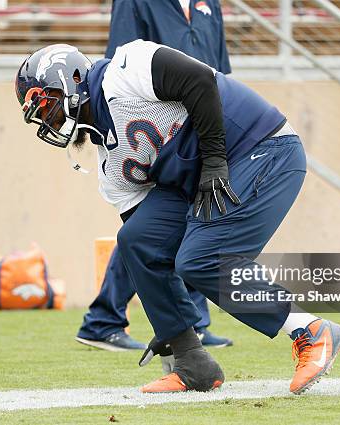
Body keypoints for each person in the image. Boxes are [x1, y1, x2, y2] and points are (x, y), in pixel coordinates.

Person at [14, 40, 340, 395]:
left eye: (47, 104)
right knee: (137, 240)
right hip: (203, 180)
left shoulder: (126, 69)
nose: (48, 119)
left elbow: (199, 80)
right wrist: (171, 322)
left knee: (201, 259)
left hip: (262, 148)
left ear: (72, 78)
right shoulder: (110, 168)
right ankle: (192, 364)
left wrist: (216, 159)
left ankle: (309, 329)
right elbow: (156, 252)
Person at [76, 0, 233, 352]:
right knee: (145, 232)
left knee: (179, 224)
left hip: (199, 126)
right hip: (155, 125)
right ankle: (105, 319)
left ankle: (193, 323)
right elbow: (122, 60)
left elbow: (219, 71)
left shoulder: (209, 4)